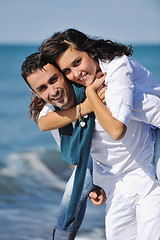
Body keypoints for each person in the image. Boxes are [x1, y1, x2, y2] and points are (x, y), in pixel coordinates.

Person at [38, 29, 160, 239]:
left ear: (90, 52)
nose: (76, 74)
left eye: (77, 62)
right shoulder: (69, 91)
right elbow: (45, 122)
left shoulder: (117, 72)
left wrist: (91, 95)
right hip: (118, 180)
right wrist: (88, 101)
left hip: (150, 156)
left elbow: (116, 130)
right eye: (66, 70)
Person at [21, 52, 107, 240]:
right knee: (72, 193)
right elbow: (75, 156)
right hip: (96, 162)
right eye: (42, 88)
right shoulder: (53, 115)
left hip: (128, 155)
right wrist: (93, 187)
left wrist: (91, 98)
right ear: (35, 93)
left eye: (54, 79)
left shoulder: (92, 87)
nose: (53, 91)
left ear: (63, 73)